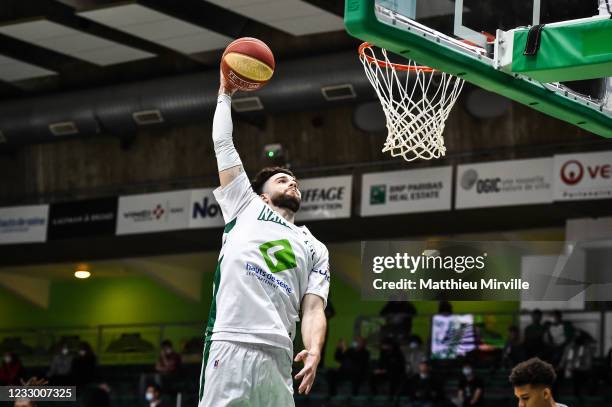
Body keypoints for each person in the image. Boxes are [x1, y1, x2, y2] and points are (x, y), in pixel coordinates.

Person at [197, 69, 330, 407]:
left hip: (278, 355)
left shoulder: (314, 247)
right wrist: (225, 95)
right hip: (231, 342)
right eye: (282, 180)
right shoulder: (245, 206)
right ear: (262, 196)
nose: (292, 183)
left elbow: (313, 308)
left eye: (294, 181)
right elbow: (222, 143)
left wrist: (314, 349)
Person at [558, 330, 593, 400]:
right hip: (567, 370)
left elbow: (588, 366)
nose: (574, 340)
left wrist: (575, 368)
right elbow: (562, 362)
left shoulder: (585, 349)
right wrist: (560, 368)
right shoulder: (568, 348)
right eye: (574, 337)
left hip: (580, 371)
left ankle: (577, 397)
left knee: (578, 376)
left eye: (577, 337)